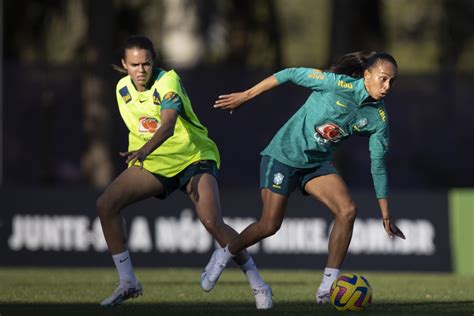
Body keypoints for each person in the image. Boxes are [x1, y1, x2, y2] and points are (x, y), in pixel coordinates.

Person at [201, 51, 406, 304]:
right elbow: (289, 74)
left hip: (316, 165)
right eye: (383, 79)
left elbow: (378, 165)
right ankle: (224, 254)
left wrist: (385, 214)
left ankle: (326, 289)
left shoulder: (378, 117)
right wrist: (245, 96)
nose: (387, 86)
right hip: (282, 157)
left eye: (392, 82)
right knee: (269, 225)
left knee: (348, 210)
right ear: (367, 75)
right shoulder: (335, 84)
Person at [97, 35, 272, 309]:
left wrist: (144, 151)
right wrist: (141, 154)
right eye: (134, 64)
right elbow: (139, 128)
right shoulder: (122, 89)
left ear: (154, 61)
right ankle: (128, 281)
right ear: (124, 64)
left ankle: (258, 283)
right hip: (156, 162)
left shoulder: (168, 81)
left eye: (146, 63)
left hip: (193, 156)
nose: (141, 70)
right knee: (106, 205)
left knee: (212, 222)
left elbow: (167, 125)